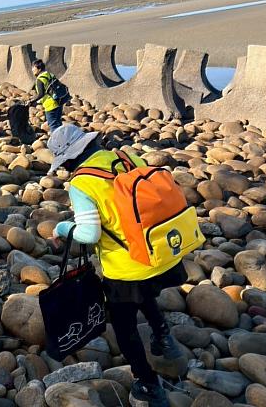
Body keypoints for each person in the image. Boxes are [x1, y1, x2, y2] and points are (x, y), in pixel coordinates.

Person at [48, 124, 184, 407]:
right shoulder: (125, 158)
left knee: (124, 327)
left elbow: (89, 235)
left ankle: (148, 383)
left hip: (126, 265)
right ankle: (163, 335)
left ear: (70, 158)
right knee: (144, 293)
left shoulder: (82, 183)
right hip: (159, 250)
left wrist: (61, 228)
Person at [30, 59, 63, 132]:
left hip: (50, 105)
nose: (32, 70)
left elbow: (41, 94)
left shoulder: (40, 79)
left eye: (33, 67)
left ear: (39, 69)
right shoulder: (50, 75)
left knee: (53, 126)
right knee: (59, 124)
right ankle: (64, 141)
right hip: (59, 102)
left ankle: (57, 142)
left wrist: (32, 101)